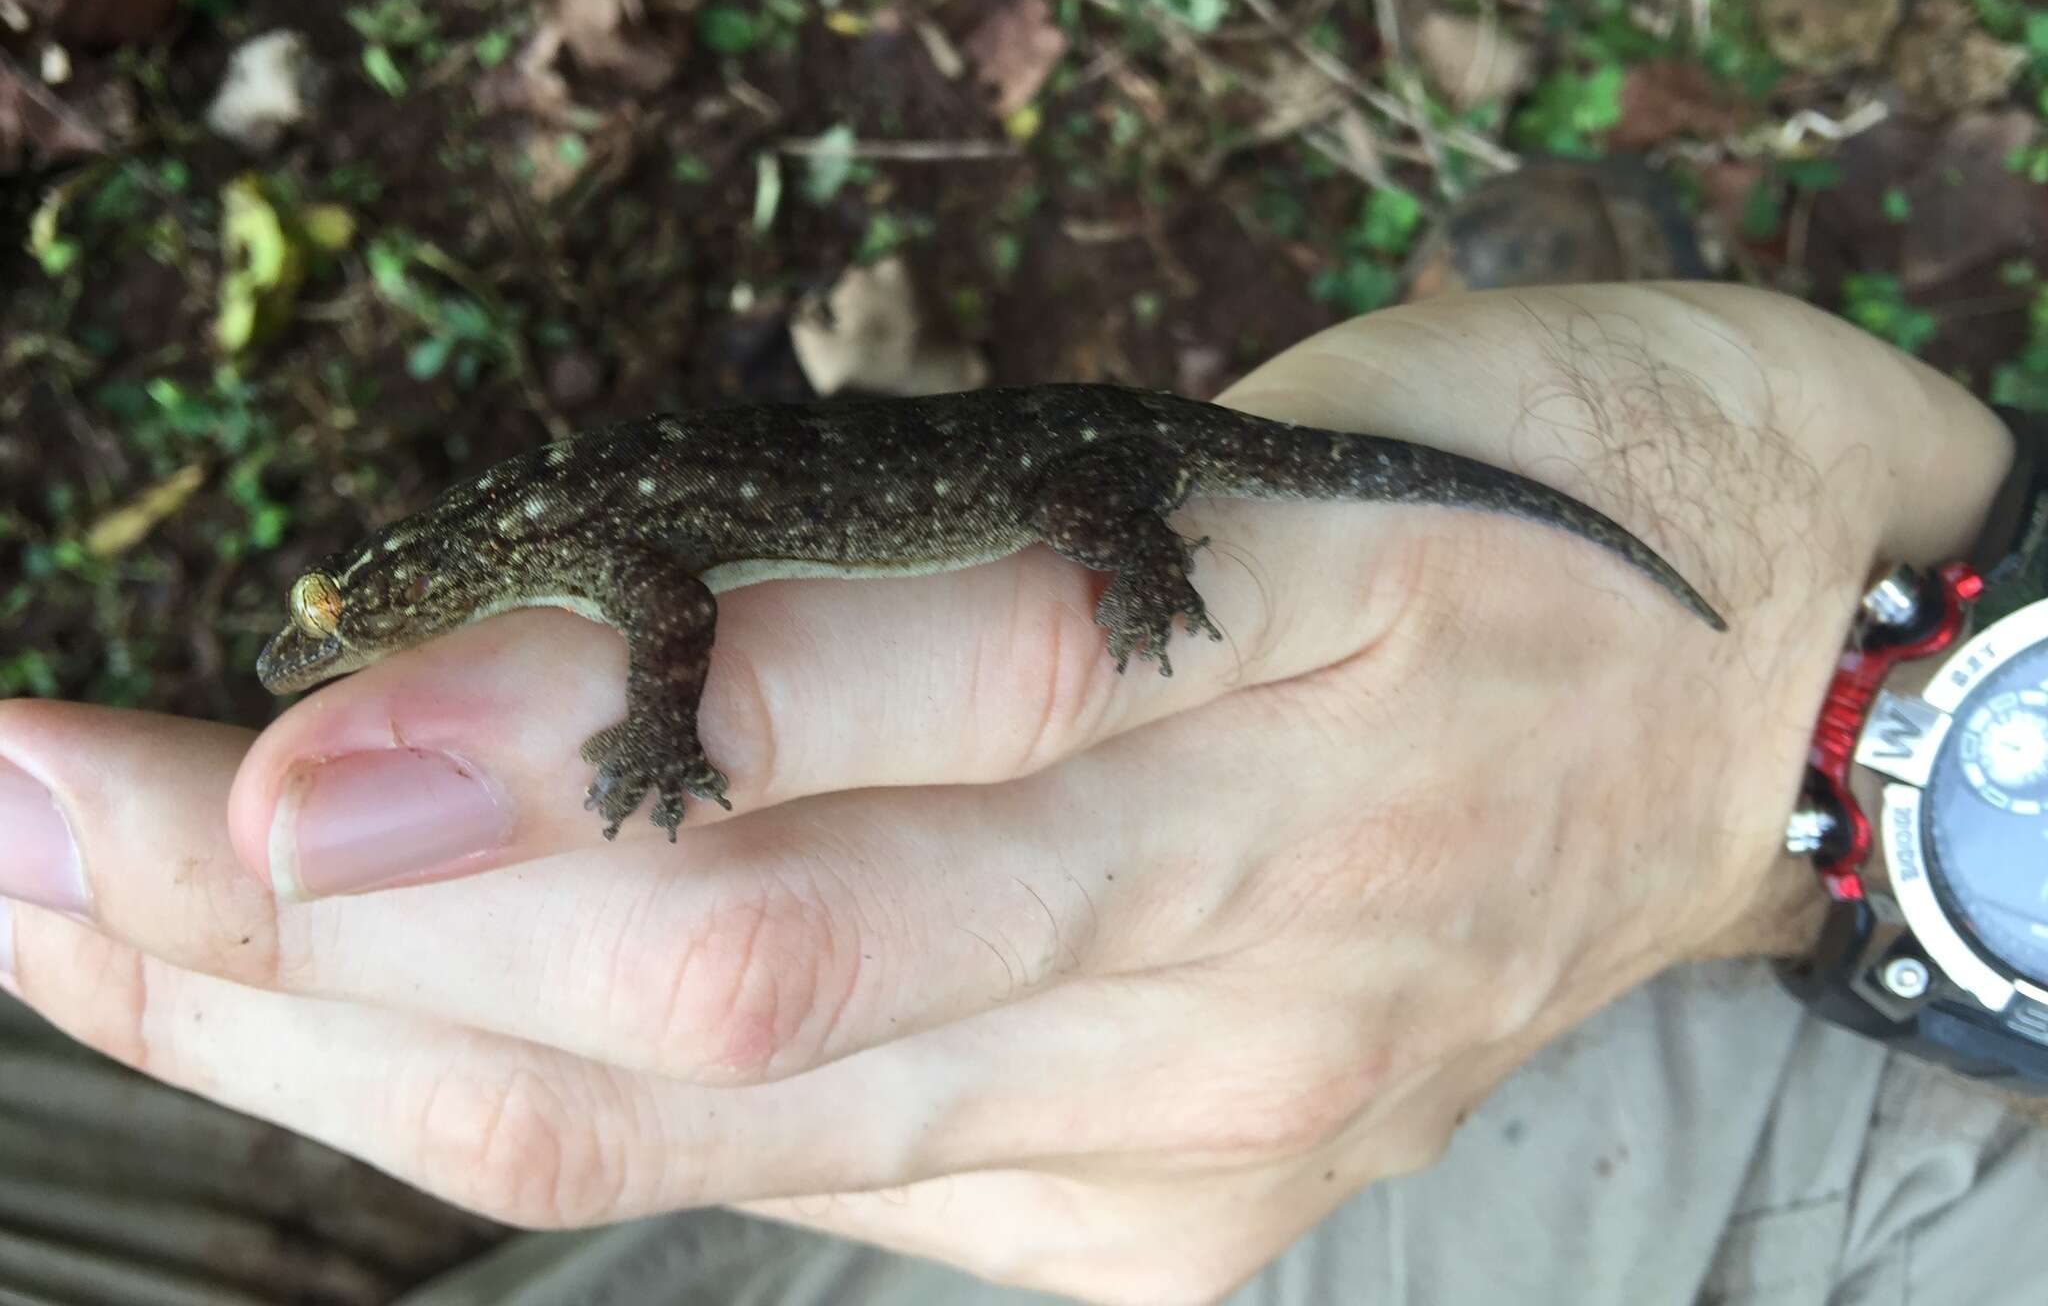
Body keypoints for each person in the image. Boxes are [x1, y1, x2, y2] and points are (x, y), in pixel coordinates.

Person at [1, 276, 2042, 1306]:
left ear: (423, 582)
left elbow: (674, 635)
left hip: (1073, 470)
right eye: (329, 628)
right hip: (1033, 458)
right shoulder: (560, 547)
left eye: (343, 615)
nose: (317, 654)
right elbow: (659, 621)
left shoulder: (580, 556)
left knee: (1198, 515)